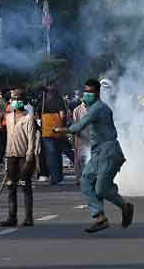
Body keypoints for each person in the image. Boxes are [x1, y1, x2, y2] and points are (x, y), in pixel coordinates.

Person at [54, 79, 134, 233]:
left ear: (97, 93)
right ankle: (99, 217)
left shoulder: (99, 108)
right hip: (97, 152)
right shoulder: (94, 108)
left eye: (89, 92)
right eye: (85, 91)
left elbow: (79, 125)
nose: (86, 95)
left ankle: (125, 206)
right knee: (85, 181)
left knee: (101, 189)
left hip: (109, 152)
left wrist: (60, 130)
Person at [0, 89, 40, 227]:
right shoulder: (8, 117)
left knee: (25, 185)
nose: (15, 101)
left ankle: (29, 218)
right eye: (13, 99)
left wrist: (29, 159)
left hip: (24, 156)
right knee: (10, 186)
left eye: (18, 99)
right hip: (11, 155)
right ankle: (12, 217)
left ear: (23, 101)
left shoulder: (29, 119)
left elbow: (32, 140)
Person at [40, 85, 67, 185]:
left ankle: (55, 177)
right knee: (58, 153)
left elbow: (37, 115)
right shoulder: (59, 100)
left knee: (51, 155)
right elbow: (62, 115)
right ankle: (59, 176)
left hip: (46, 131)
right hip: (58, 130)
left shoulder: (43, 101)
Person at [71, 99, 90, 185]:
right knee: (78, 158)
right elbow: (75, 124)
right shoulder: (77, 110)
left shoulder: (93, 108)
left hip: (91, 136)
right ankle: (78, 177)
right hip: (80, 137)